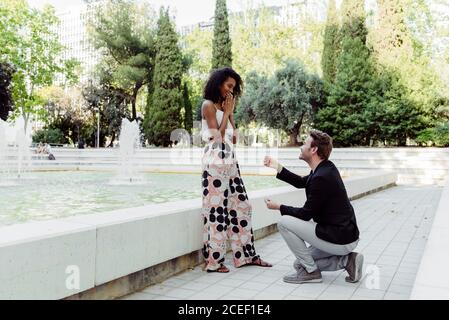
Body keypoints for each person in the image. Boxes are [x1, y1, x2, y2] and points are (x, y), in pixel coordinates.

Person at [264, 130, 363, 284]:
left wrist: (279, 206)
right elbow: (300, 182)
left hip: (339, 237)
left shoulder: (322, 177)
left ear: (314, 149)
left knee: (284, 223)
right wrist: (276, 166)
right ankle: (347, 261)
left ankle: (311, 273)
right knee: (300, 264)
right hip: (344, 235)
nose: (301, 146)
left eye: (304, 143)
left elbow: (305, 214)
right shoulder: (325, 168)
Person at [201, 67, 272, 273]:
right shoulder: (208, 106)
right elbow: (217, 137)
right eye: (228, 86)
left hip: (230, 160)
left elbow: (233, 138)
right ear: (218, 83)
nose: (231, 91)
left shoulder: (226, 106)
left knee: (243, 206)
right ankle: (214, 262)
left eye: (234, 88)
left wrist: (230, 114)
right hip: (214, 161)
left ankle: (245, 256)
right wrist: (227, 113)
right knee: (216, 211)